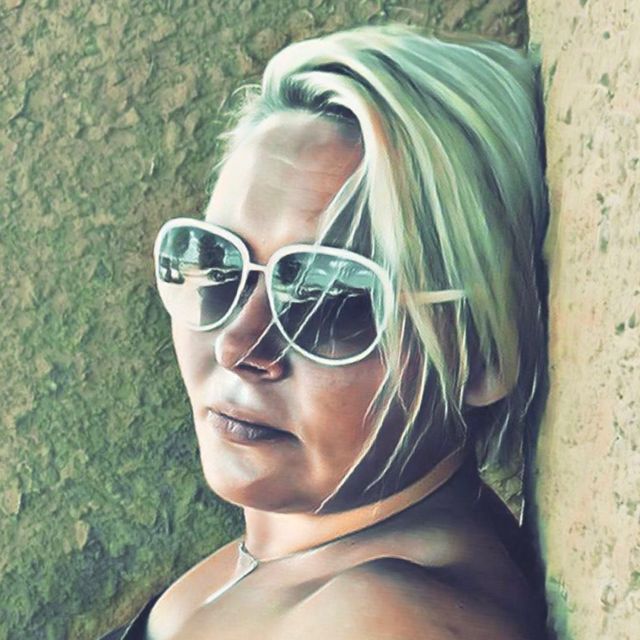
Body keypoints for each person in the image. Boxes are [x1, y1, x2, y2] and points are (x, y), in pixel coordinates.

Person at [100, 22, 549, 640]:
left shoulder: (383, 620)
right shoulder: (288, 557)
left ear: (486, 352)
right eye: (217, 264)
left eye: (329, 298)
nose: (237, 346)